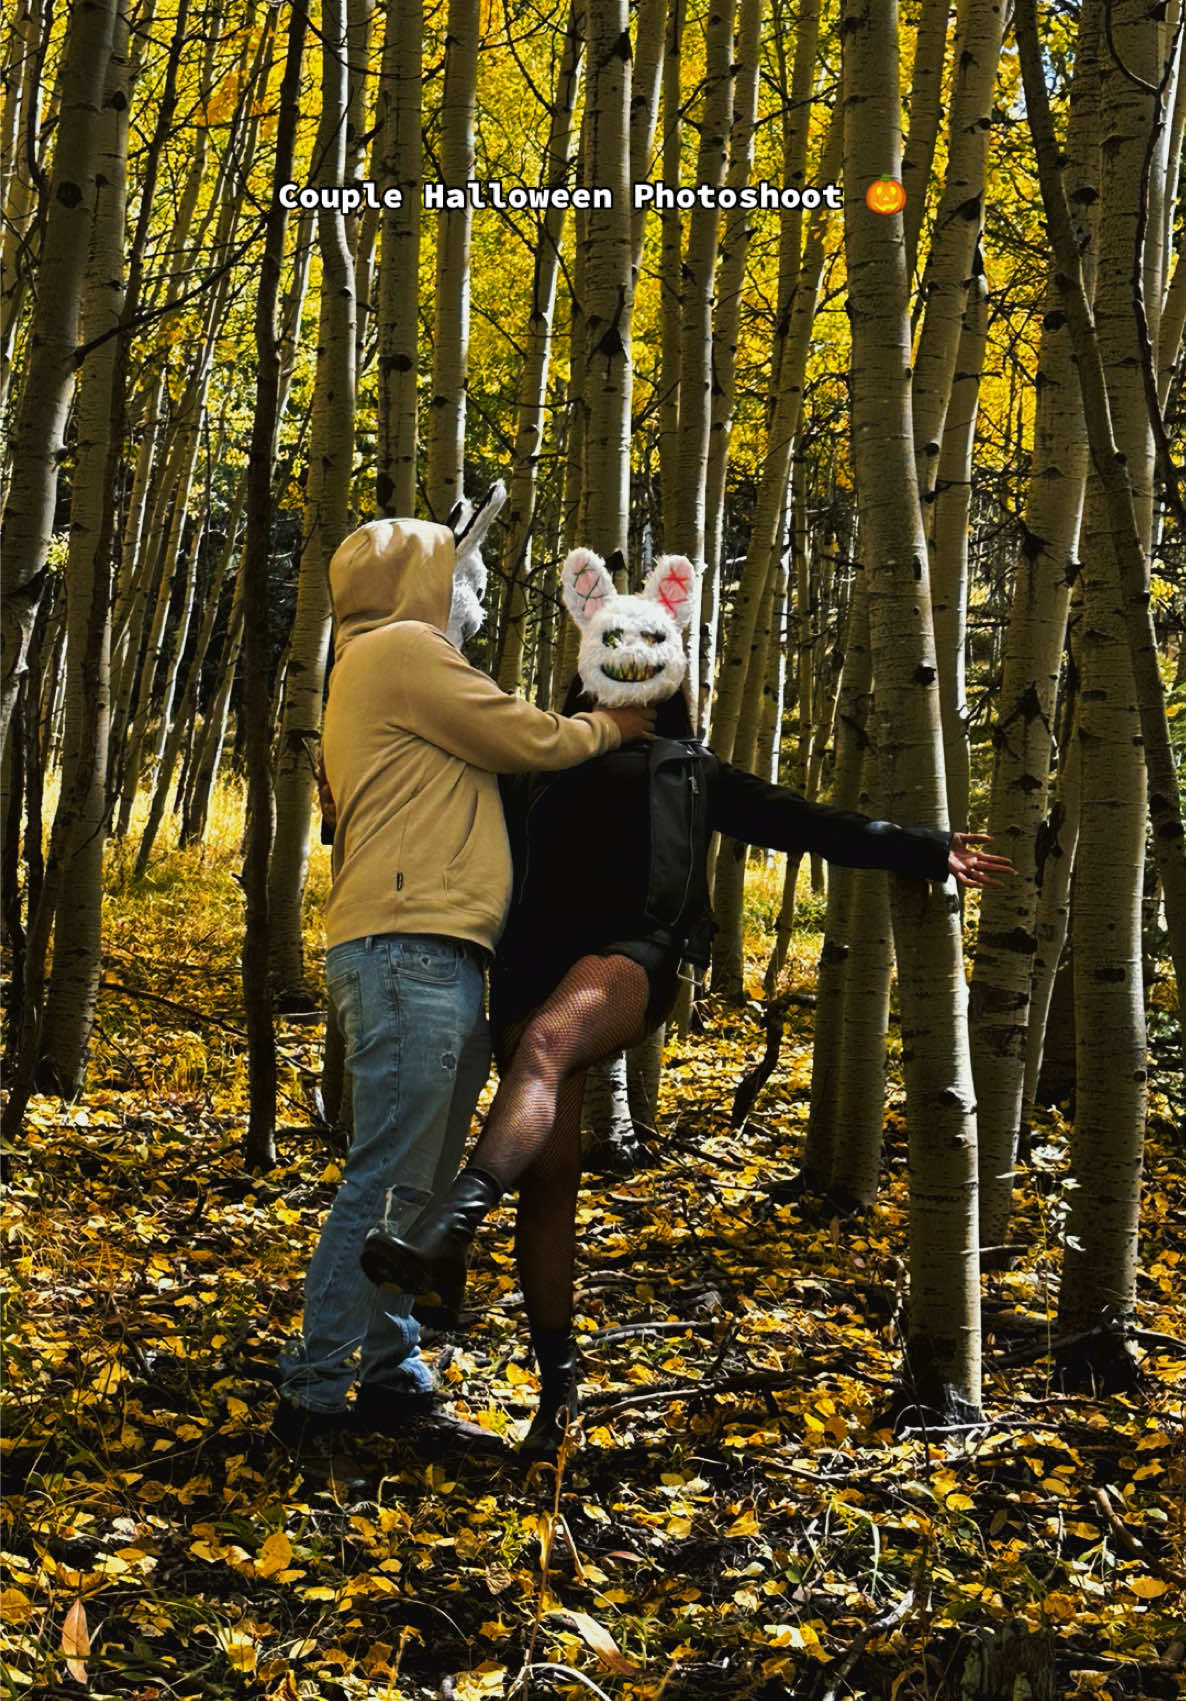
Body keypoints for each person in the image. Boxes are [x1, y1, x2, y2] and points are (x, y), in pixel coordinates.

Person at [359, 547, 1014, 1457]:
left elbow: (810, 824)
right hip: (528, 963)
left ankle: (447, 1226)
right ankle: (558, 1402)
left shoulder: (691, 769)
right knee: (547, 1190)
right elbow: (450, 813)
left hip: (633, 958)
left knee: (551, 1042)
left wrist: (925, 846)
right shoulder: (541, 754)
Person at [275, 515, 655, 1443]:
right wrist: (608, 726)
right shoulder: (403, 649)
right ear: (416, 581)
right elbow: (520, 735)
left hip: (425, 947)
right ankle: (316, 1394)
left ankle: (388, 1369)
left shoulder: (369, 664)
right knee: (387, 1178)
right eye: (462, 571)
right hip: (409, 947)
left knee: (417, 1178)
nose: (472, 591)